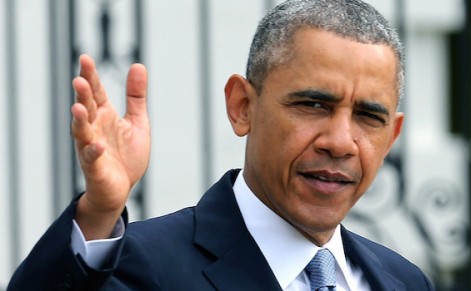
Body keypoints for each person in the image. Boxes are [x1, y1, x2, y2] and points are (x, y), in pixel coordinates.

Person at [8, 0, 435, 290]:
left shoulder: (404, 280)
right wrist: (99, 211)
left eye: (368, 116)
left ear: (391, 137)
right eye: (313, 105)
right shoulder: (141, 266)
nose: (340, 142)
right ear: (242, 106)